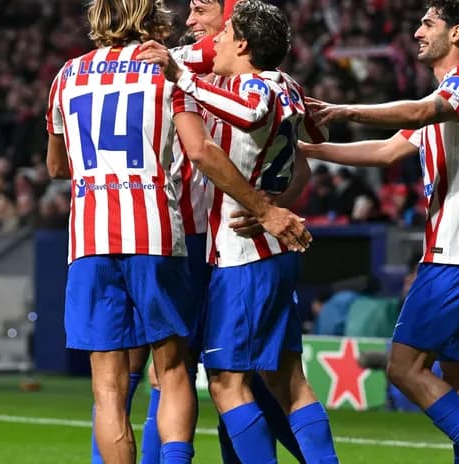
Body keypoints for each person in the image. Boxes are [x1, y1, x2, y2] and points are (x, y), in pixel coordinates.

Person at [45, 0, 310, 462]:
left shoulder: (65, 76)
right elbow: (201, 149)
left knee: (108, 388)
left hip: (88, 237)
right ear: (151, 20)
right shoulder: (169, 71)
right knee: (172, 372)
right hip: (157, 232)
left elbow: (55, 165)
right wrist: (267, 210)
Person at [301, 1, 459, 462]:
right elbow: (383, 152)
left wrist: (341, 110)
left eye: (428, 23)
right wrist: (307, 148)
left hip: (458, 254)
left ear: (456, 33)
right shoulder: (448, 103)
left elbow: (417, 114)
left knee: (403, 367)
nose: (417, 31)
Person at [141, 1, 339, 462]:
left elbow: (250, 115)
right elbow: (314, 138)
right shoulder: (287, 84)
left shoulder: (256, 88)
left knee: (226, 382)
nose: (216, 42)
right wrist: (276, 200)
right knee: (287, 378)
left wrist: (182, 77)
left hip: (242, 252)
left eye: (225, 34)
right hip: (274, 247)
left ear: (244, 44)